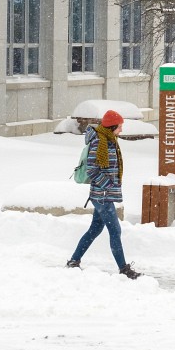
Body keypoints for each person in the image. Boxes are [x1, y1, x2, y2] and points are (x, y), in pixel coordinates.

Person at [67, 109, 140, 279]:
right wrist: (107, 185)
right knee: (115, 230)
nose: (121, 130)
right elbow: (92, 169)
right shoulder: (99, 142)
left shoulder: (109, 140)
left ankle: (74, 261)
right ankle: (124, 269)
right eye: (120, 126)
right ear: (113, 126)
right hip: (102, 195)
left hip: (103, 194)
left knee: (94, 229)